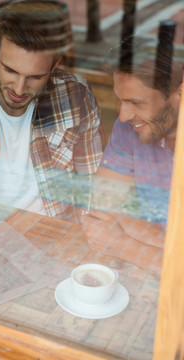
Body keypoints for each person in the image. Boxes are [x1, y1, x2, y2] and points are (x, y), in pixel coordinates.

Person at [0, 1, 104, 222]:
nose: (19, 89)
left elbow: (92, 187)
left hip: (49, 230)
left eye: (35, 77)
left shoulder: (77, 96)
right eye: (10, 70)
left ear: (55, 64)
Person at [82, 35, 183, 274]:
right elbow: (104, 211)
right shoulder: (130, 127)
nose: (124, 114)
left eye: (136, 102)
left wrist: (120, 242)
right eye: (120, 100)